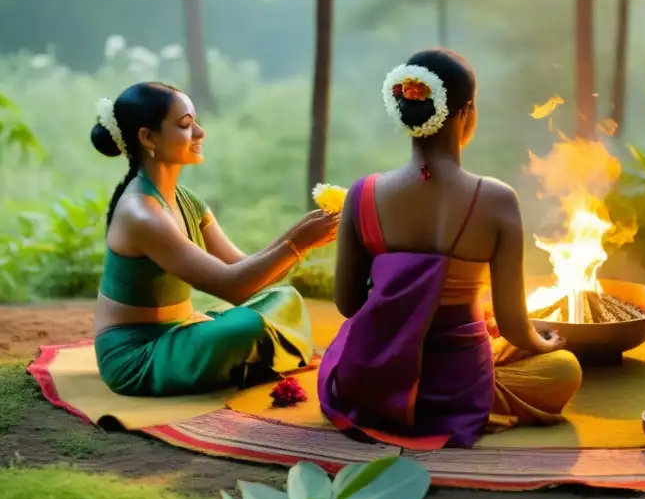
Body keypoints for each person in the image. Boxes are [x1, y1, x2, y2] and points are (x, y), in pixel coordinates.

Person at [319, 49, 583, 448]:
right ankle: (477, 402)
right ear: (467, 111)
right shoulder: (497, 199)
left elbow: (349, 305)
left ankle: (398, 401)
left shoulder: (363, 194)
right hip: (455, 389)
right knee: (562, 368)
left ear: (404, 111)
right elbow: (514, 324)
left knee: (350, 345)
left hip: (375, 378)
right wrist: (542, 342)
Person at [91, 82, 338, 396]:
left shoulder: (187, 200)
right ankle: (251, 355)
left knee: (284, 298)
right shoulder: (142, 215)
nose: (200, 132)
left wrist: (301, 233)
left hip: (185, 329)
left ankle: (247, 356)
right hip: (140, 354)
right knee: (246, 326)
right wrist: (298, 242)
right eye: (185, 125)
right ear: (148, 137)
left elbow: (243, 269)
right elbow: (233, 288)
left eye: (195, 122)